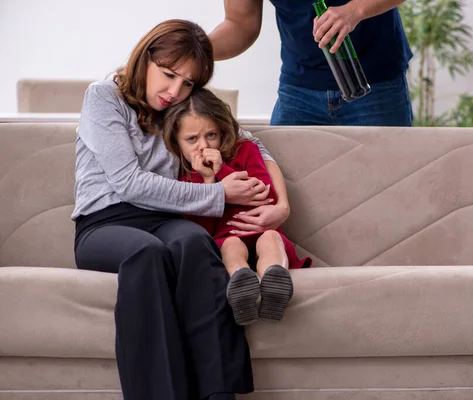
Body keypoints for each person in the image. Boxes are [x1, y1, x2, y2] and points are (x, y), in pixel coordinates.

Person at [72, 19, 290, 400]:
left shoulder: (182, 106)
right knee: (147, 254)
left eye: (187, 83)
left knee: (194, 242)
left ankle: (219, 392)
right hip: (103, 224)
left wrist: (283, 205)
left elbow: (249, 142)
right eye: (168, 75)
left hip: (166, 220)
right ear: (146, 58)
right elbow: (128, 183)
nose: (174, 91)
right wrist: (220, 194)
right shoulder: (103, 96)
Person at [162, 89, 312, 326]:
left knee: (271, 238)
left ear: (222, 130)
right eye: (192, 139)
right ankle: (242, 286)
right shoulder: (186, 174)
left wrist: (222, 171)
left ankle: (275, 283)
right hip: (225, 238)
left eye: (211, 135)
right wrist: (208, 183)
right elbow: (200, 229)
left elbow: (265, 195)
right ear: (177, 142)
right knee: (231, 247)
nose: (203, 146)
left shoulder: (245, 150)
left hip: (262, 230)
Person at [209, 0, 413, 127]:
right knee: (283, 185)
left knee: (387, 181)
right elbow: (240, 23)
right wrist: (193, 49)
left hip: (375, 85)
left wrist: (355, 9)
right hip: (298, 90)